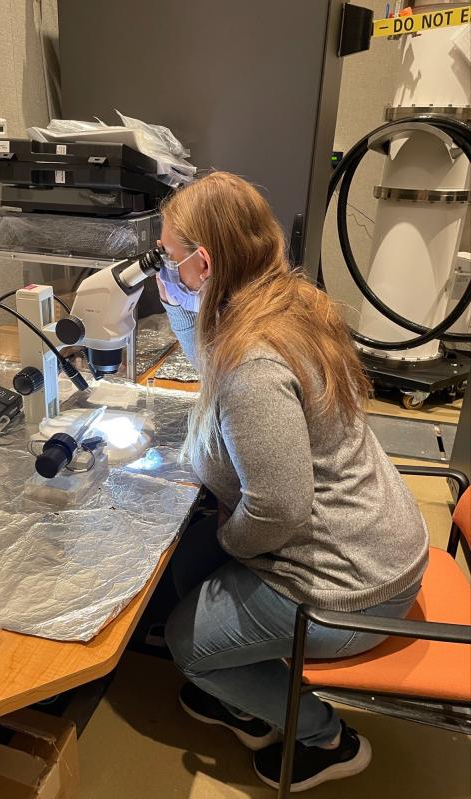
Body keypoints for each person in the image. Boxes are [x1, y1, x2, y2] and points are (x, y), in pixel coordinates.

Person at [155, 172, 428, 792]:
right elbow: (213, 361)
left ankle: (325, 737)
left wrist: (230, 538)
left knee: (186, 640)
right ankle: (242, 695)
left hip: (355, 586)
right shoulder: (280, 303)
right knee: (186, 562)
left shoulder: (255, 365)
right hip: (369, 537)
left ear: (203, 263)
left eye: (170, 261)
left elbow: (276, 509)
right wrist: (176, 305)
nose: (165, 270)